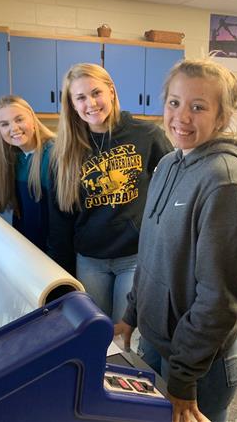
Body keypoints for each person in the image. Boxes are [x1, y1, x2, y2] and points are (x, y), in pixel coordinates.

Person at [115, 59, 237, 422]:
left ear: (222, 117)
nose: (181, 116)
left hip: (201, 363)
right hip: (160, 340)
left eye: (198, 107)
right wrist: (131, 314)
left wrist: (183, 375)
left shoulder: (223, 180)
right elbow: (151, 254)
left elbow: (219, 297)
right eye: (174, 102)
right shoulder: (168, 164)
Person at [51, 63, 172, 321]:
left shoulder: (147, 134)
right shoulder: (67, 147)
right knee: (95, 331)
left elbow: (172, 186)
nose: (91, 103)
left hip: (135, 255)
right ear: (72, 105)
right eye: (81, 98)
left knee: (126, 336)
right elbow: (63, 214)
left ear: (112, 92)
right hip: (90, 259)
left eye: (96, 93)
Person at [0, 95, 75, 273]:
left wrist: (53, 263)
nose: (13, 128)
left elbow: (62, 223)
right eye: (4, 124)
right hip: (29, 254)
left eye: (19, 119)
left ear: (33, 119)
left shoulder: (54, 155)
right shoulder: (14, 158)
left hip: (56, 260)